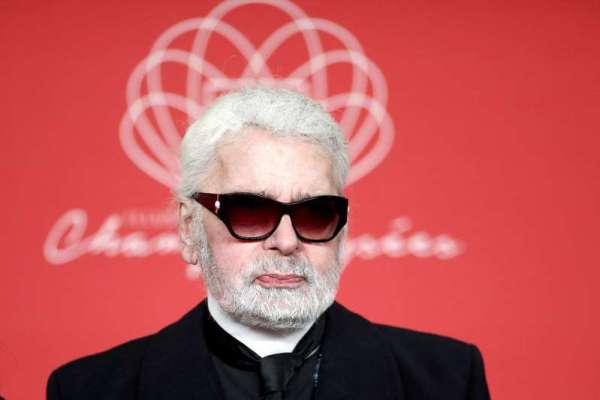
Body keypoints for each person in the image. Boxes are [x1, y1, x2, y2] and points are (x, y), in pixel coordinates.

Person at [47, 86, 490, 399]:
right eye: (250, 212)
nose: (286, 241)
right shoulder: (88, 389)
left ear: (343, 227)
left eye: (315, 213)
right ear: (188, 228)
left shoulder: (448, 381)